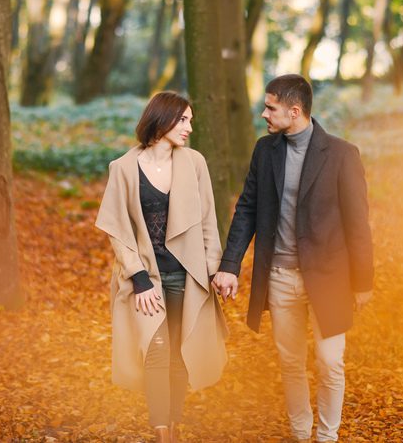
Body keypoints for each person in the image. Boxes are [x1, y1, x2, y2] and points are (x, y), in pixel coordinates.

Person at [212, 74, 373, 442]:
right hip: (281, 277)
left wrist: (363, 281)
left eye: (271, 107)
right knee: (291, 363)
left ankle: (327, 437)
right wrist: (230, 265)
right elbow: (248, 209)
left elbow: (358, 223)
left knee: (331, 363)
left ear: (294, 110)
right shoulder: (264, 151)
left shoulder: (342, 154)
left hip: (330, 277)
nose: (264, 114)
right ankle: (302, 435)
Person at [96, 92, 228, 443]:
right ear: (162, 119)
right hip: (146, 280)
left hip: (188, 277)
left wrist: (215, 272)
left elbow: (207, 222)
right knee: (156, 350)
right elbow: (117, 231)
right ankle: (161, 433)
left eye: (190, 121)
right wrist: (139, 280)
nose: (189, 128)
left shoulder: (195, 163)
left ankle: (173, 424)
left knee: (180, 354)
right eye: (183, 120)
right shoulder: (122, 168)